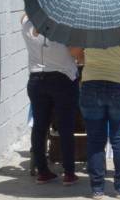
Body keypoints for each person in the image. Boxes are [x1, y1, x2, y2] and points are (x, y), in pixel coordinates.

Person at [70, 38, 120, 199]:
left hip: (91, 85)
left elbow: (75, 53)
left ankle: (97, 188)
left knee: (95, 140)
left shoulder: (88, 25)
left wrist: (93, 60)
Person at [21, 14, 80, 185]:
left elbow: (24, 14)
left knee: (39, 126)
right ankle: (69, 172)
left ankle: (42, 171)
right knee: (65, 126)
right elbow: (76, 53)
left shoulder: (27, 23)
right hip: (63, 78)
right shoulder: (66, 24)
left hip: (36, 79)